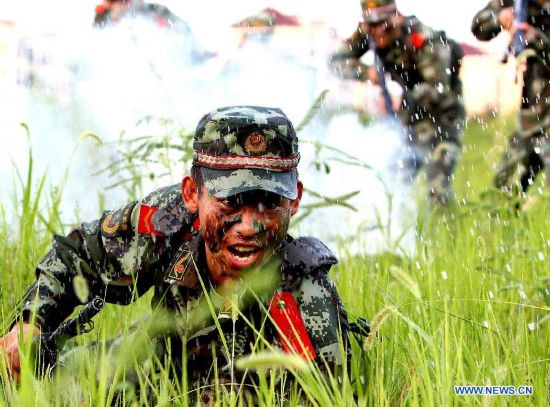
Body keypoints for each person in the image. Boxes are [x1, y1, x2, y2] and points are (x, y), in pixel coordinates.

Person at [0, 106, 352, 401]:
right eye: (230, 201)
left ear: (295, 200)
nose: (249, 226)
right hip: (151, 360)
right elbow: (77, 255)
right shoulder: (167, 221)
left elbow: (332, 395)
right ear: (191, 194)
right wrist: (31, 322)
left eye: (269, 204)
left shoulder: (305, 298)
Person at [329, 0, 465, 205]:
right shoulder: (368, 32)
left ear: (397, 17)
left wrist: (400, 99)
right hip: (408, 119)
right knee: (391, 180)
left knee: (438, 187)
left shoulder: (425, 39)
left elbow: (439, 90)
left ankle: (449, 233)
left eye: (384, 24)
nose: (378, 32)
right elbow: (336, 61)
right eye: (371, 26)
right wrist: (368, 73)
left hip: (442, 118)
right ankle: (396, 228)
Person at [471, 1, 550, 196]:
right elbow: (479, 28)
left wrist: (537, 40)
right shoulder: (518, 2)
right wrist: (500, 18)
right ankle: (500, 222)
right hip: (535, 111)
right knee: (505, 183)